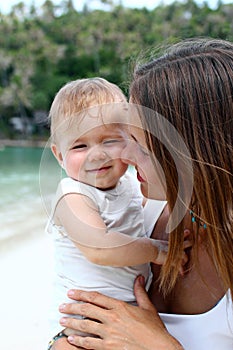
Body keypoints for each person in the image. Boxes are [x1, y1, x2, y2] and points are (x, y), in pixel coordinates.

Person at [52, 38, 233, 350]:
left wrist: (161, 346)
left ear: (191, 152)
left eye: (137, 141)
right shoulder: (143, 213)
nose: (123, 154)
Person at [46, 77, 172, 348]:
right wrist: (157, 250)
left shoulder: (131, 187)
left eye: (109, 140)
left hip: (130, 319)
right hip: (82, 325)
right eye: (80, 146)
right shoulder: (72, 195)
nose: (97, 155)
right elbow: (100, 248)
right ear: (59, 156)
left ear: (129, 140)